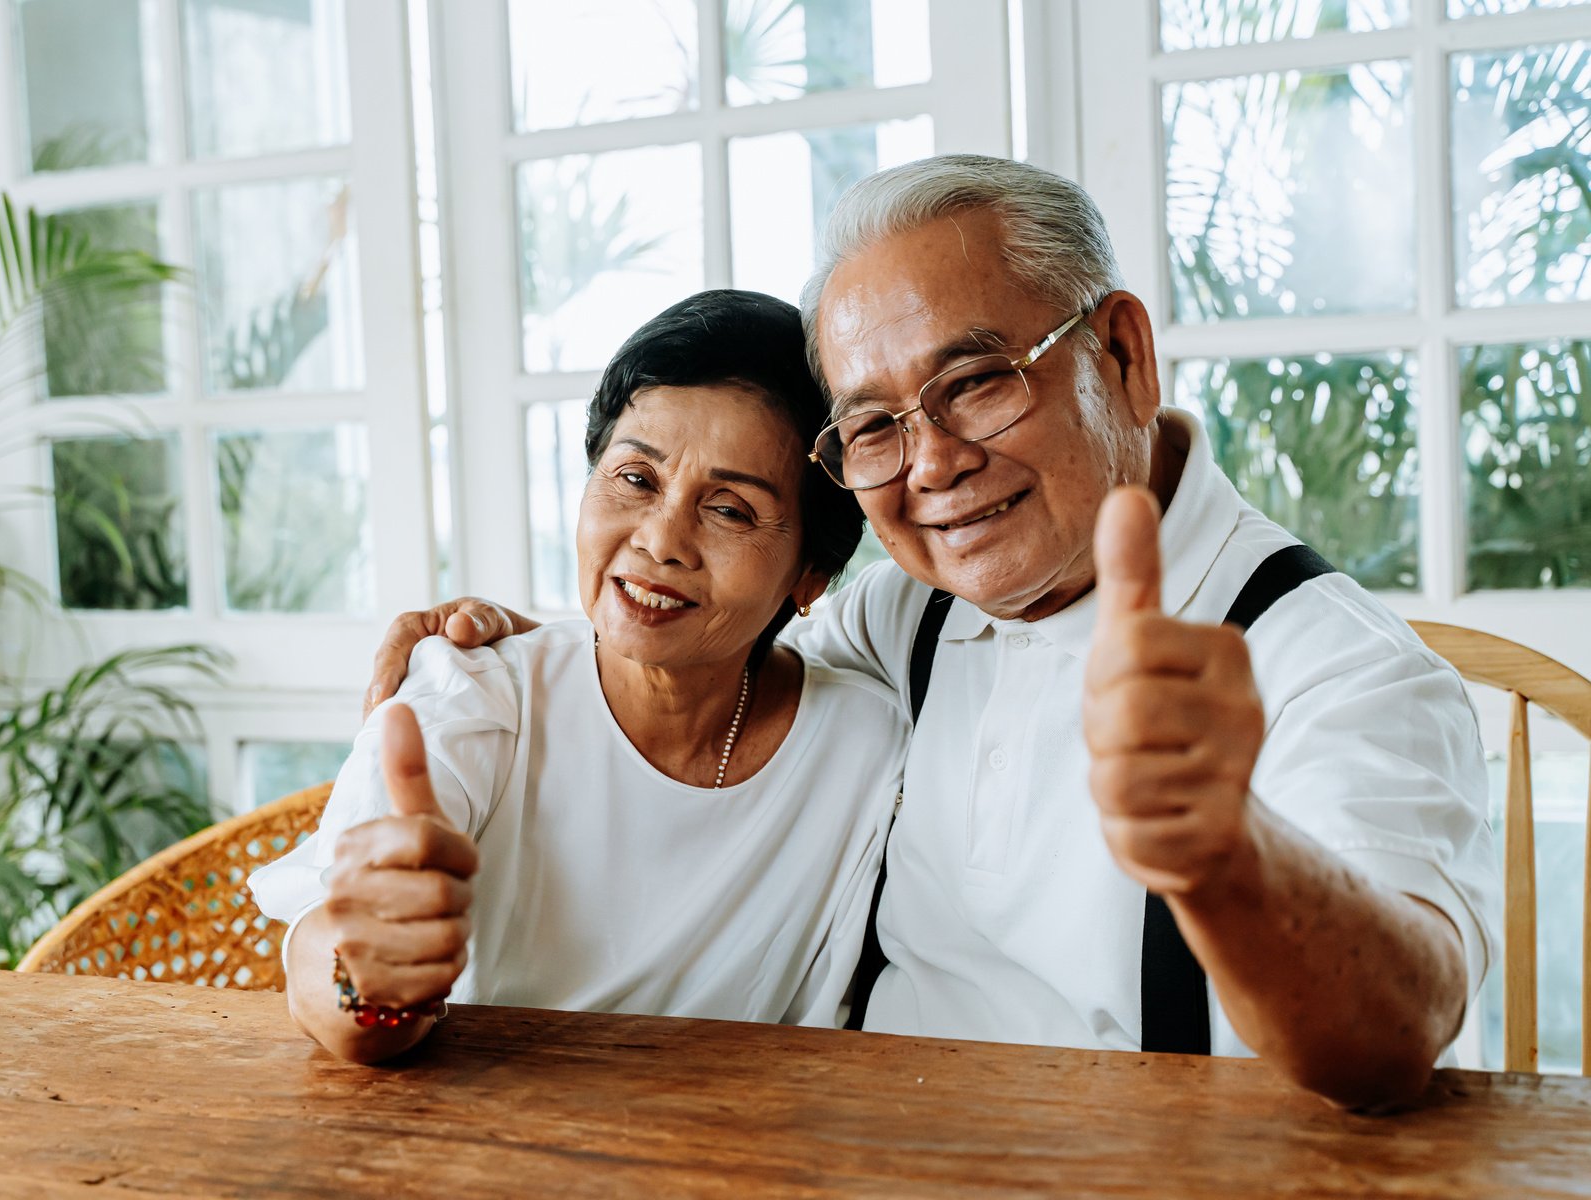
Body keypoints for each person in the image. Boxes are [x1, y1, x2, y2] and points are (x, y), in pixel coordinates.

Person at [362, 155, 1498, 1108]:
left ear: (1123, 354)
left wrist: (1225, 851)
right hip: (838, 1152)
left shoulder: (1337, 669)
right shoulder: (908, 610)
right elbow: (719, 606)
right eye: (873, 426)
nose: (935, 465)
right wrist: (527, 657)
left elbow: (1402, 1030)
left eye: (977, 381)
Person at [250, 290, 907, 1065]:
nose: (661, 540)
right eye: (635, 479)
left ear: (812, 576)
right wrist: (369, 977)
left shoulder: (867, 743)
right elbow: (331, 967)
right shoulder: (472, 695)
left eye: (729, 510)